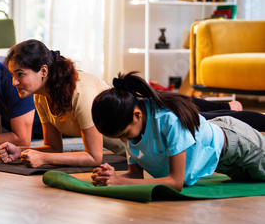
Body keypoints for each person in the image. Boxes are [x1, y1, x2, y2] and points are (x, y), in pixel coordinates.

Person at [90, 71, 265, 192]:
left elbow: (176, 182)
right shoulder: (132, 123)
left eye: (125, 135)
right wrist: (109, 177)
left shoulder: (168, 120)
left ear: (137, 115)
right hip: (223, 163)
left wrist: (118, 181)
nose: (124, 141)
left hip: (239, 146)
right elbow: (136, 175)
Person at [0, 39, 127, 169]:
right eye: (13, 75)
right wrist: (20, 151)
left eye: (20, 74)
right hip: (132, 157)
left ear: (43, 71)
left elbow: (94, 157)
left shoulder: (81, 93)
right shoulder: (40, 97)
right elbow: (53, 148)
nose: (14, 82)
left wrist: (44, 158)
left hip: (142, 151)